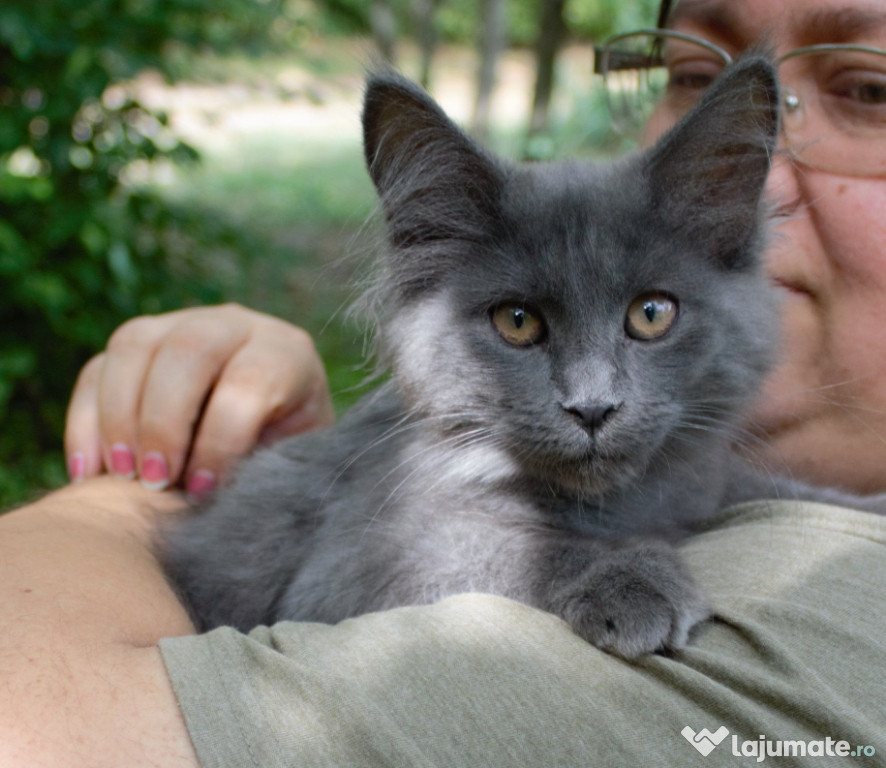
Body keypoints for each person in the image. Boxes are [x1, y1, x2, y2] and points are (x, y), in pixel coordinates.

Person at [2, 0, 885, 765]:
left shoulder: (836, 635)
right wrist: (572, 567)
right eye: (520, 323)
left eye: (648, 317)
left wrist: (106, 508)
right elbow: (349, 586)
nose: (590, 396)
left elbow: (711, 484)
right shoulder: (424, 482)